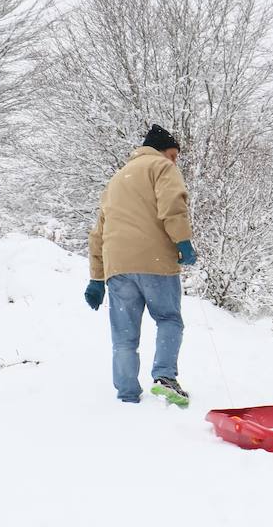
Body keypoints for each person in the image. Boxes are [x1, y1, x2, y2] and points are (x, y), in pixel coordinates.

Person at [84, 124, 197, 407]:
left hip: (117, 268)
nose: (174, 161)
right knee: (169, 319)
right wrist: (183, 241)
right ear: (162, 151)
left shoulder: (116, 180)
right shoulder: (161, 167)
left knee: (123, 335)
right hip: (155, 260)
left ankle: (127, 395)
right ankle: (165, 378)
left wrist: (96, 279)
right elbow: (172, 204)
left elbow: (98, 232)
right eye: (173, 155)